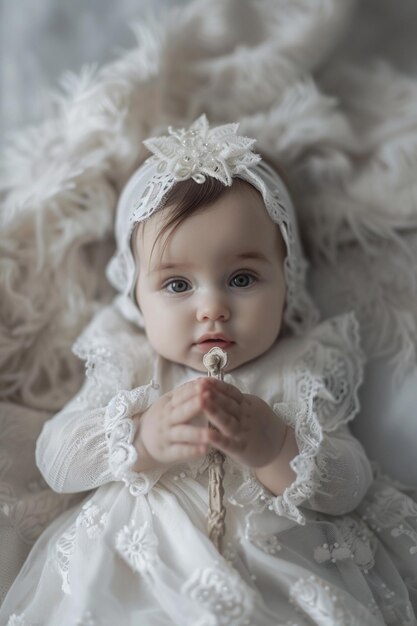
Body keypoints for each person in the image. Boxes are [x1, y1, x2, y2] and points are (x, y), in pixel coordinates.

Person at [1, 115, 416, 626]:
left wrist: (278, 447)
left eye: (242, 278)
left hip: (276, 568)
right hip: (138, 565)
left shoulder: (300, 364)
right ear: (135, 298)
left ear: (288, 283)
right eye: (177, 285)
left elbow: (350, 482)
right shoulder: (132, 360)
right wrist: (141, 438)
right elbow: (56, 459)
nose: (212, 308)